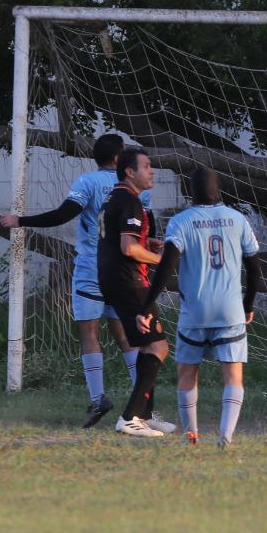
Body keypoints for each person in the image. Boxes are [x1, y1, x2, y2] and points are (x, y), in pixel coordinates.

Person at [0, 133, 139, 427]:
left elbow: (63, 214)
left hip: (91, 268)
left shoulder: (87, 183)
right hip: (124, 271)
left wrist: (20, 221)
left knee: (89, 334)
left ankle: (99, 398)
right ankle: (142, 403)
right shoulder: (136, 186)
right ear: (117, 159)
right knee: (126, 335)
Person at [142, 167, 261, 448]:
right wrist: (248, 305)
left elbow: (168, 266)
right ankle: (226, 437)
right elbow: (255, 269)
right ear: (218, 188)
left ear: (189, 191)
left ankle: (191, 436)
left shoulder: (181, 221)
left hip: (194, 311)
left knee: (187, 373)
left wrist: (147, 303)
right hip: (229, 310)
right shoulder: (237, 219)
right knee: (233, 376)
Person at [96, 147, 176, 437]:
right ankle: (129, 417)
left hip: (115, 279)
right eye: (146, 166)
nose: (151, 171)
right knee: (158, 346)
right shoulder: (130, 200)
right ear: (130, 172)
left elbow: (127, 239)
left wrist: (148, 241)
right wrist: (166, 260)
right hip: (128, 281)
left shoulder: (115, 197)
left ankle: (144, 414)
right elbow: (128, 249)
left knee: (147, 345)